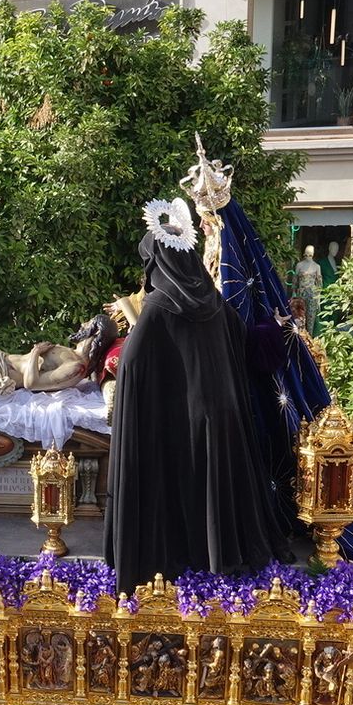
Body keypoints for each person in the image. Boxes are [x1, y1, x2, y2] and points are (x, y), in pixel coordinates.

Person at [106, 195, 283, 591]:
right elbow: (244, 340)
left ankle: (183, 558)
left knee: (179, 486)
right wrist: (275, 327)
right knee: (213, 491)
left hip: (180, 422)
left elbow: (130, 364)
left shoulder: (158, 306)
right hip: (222, 416)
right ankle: (216, 556)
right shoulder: (213, 301)